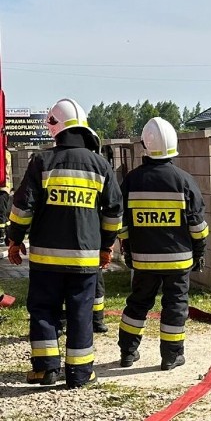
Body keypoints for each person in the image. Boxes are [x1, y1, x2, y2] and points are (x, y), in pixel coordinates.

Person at [7, 98, 122, 388]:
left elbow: (22, 206)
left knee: (44, 309)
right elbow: (113, 212)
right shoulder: (100, 166)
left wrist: (14, 240)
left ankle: (45, 370)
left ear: (55, 129)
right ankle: (81, 374)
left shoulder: (42, 162)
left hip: (46, 260)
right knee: (81, 312)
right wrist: (107, 247)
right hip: (84, 260)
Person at [117, 117, 208, 371]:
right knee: (175, 306)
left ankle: (127, 352)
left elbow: (121, 224)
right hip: (179, 260)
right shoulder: (184, 180)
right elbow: (197, 225)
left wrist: (127, 250)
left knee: (137, 303)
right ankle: (171, 356)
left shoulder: (132, 181)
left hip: (144, 259)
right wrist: (200, 252)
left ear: (145, 145)